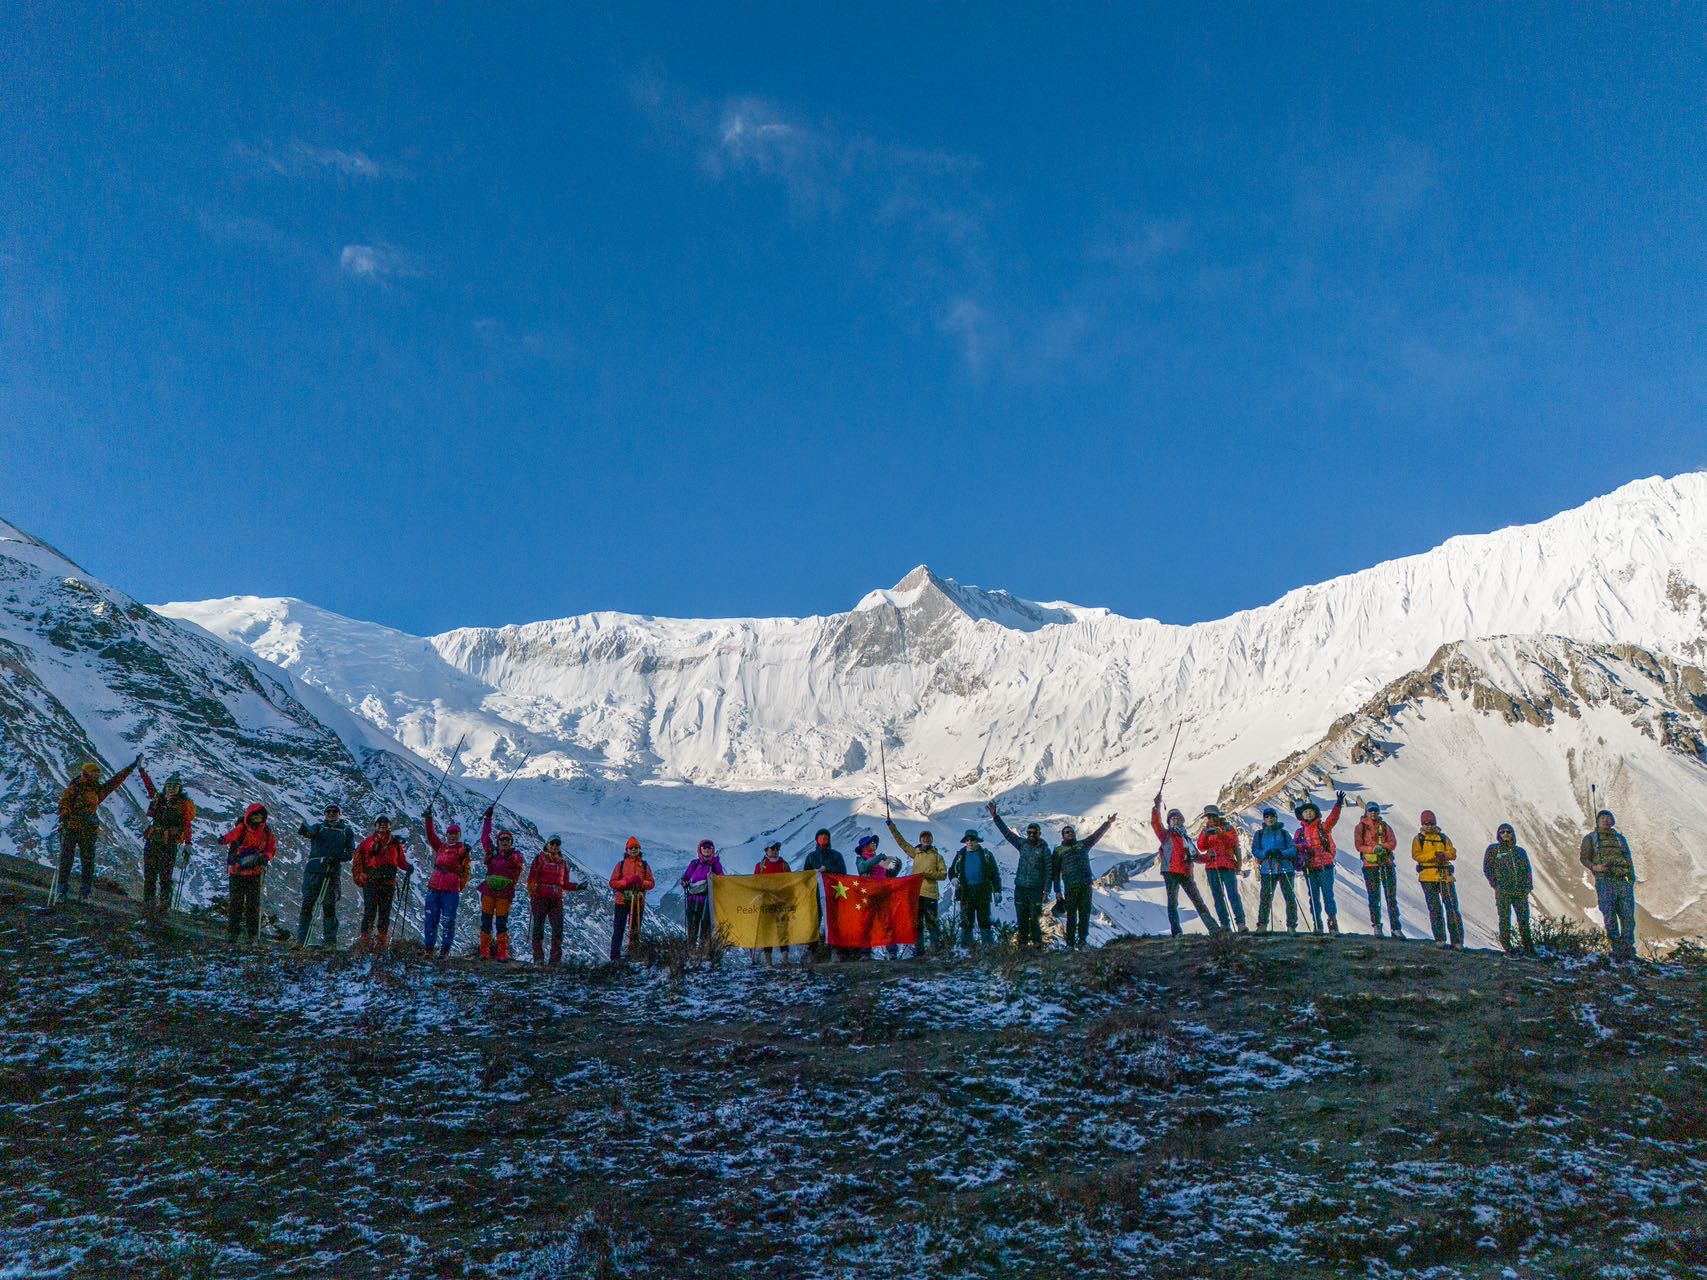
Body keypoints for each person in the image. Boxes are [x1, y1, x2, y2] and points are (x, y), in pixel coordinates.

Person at [54, 756, 139, 906]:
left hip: (78, 828)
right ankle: (76, 892)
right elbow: (64, 804)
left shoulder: (86, 788)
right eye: (94, 773)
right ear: (87, 774)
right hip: (80, 828)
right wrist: (65, 817)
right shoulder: (81, 789)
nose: (97, 776)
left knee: (74, 860)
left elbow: (114, 782)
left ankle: (66, 891)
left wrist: (130, 768)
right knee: (79, 861)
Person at [1151, 795, 1221, 938]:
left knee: (1197, 901)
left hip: (1185, 872)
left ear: (1182, 821)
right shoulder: (1166, 835)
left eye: (1178, 818)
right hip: (1171, 872)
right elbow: (1155, 823)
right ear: (1169, 822)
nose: (1175, 820)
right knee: (1173, 903)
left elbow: (1196, 856)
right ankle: (1177, 932)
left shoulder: (1186, 839)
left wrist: (1208, 857)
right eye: (1173, 818)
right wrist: (1157, 806)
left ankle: (1213, 928)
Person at [988, 804, 1054, 950]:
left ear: (1039, 834)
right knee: (1021, 918)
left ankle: (1037, 946)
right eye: (1029, 833)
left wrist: (1046, 891)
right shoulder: (1022, 844)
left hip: (1036, 889)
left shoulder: (1045, 850)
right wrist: (995, 817)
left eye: (1034, 833)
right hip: (1020, 887)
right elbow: (1007, 834)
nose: (1031, 835)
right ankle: (1022, 946)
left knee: (1034, 919)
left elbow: (1049, 871)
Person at [1052, 814, 1117, 949]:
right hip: (1070, 887)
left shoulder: (1083, 844)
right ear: (1063, 836)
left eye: (1071, 832)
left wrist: (1108, 823)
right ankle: (1070, 944)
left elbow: (1096, 836)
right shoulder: (1058, 851)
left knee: (1084, 914)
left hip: (1086, 885)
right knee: (1071, 916)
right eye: (1067, 832)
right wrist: (1057, 891)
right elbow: (1055, 873)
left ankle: (1082, 941)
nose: (1070, 834)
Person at [1580, 809, 1637, 961]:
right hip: (1604, 881)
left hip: (1621, 880)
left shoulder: (1619, 839)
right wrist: (1595, 867)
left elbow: (1628, 857)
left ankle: (1628, 949)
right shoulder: (1590, 838)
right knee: (1609, 915)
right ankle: (1616, 948)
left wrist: (1631, 877)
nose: (1606, 820)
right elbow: (1584, 858)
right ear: (1597, 821)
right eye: (1603, 818)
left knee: (1628, 917)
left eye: (1609, 818)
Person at [295, 802, 355, 948]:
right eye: (328, 811)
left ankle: (329, 941)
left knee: (329, 906)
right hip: (314, 870)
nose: (331, 813)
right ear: (325, 813)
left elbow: (350, 852)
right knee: (307, 904)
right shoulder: (319, 827)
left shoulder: (346, 830)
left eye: (335, 811)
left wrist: (337, 858)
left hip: (332, 871)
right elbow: (309, 833)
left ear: (339, 814)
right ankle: (301, 940)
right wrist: (305, 831)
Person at [884, 820, 947, 958]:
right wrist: (891, 827)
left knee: (932, 924)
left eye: (928, 837)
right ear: (920, 840)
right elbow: (901, 843)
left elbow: (943, 875)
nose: (926, 839)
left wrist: (928, 875)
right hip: (916, 894)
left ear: (931, 840)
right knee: (917, 924)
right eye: (923, 837)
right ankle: (920, 952)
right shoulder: (915, 853)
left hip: (930, 895)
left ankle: (934, 951)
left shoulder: (937, 857)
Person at [138, 767, 195, 917]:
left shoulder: (183, 805)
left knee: (165, 875)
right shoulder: (159, 799)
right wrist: (141, 771)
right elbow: (149, 786)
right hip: (154, 840)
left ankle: (163, 906)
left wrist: (188, 843)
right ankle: (149, 903)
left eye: (174, 787)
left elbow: (186, 824)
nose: (170, 790)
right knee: (150, 873)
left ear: (179, 789)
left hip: (168, 843)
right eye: (168, 786)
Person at [220, 802, 276, 943]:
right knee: (236, 904)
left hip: (251, 872)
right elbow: (232, 836)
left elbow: (271, 849)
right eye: (255, 815)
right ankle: (236, 934)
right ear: (249, 816)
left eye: (259, 815)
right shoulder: (243, 828)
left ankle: (250, 935)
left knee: (252, 905)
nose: (257, 817)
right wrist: (224, 839)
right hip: (240, 872)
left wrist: (266, 857)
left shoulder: (266, 832)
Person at [421, 808, 473, 959]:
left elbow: (466, 868)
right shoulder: (441, 847)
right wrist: (428, 819)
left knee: (448, 920)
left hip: (450, 889)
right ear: (447, 835)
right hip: (435, 886)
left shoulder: (462, 850)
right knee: (431, 919)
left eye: (455, 833)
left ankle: (444, 951)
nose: (453, 836)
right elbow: (430, 836)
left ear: (459, 836)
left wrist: (459, 885)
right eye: (450, 833)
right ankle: (429, 949)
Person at [526, 836, 586, 966]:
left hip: (556, 899)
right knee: (538, 929)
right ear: (547, 845)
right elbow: (532, 878)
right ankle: (539, 959)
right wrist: (532, 892)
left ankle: (554, 961)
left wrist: (577, 887)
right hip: (540, 898)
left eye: (557, 844)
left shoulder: (563, 863)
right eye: (552, 843)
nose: (554, 846)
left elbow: (564, 883)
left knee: (558, 929)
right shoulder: (539, 859)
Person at [353, 816, 409, 952]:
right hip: (372, 882)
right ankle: (366, 942)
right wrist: (361, 876)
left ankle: (380, 944)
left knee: (384, 913)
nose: (383, 826)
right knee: (370, 912)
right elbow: (357, 860)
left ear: (389, 826)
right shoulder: (368, 843)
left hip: (387, 883)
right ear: (376, 826)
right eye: (380, 823)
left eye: (385, 824)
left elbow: (401, 861)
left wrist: (408, 867)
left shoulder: (395, 844)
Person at [1293, 794, 1345, 935]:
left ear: (1315, 813)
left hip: (1325, 866)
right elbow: (1295, 848)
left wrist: (1338, 805)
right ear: (1301, 815)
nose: (1308, 813)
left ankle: (1332, 924)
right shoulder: (1300, 832)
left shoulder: (1323, 827)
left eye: (1311, 811)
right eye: (1305, 812)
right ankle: (1318, 924)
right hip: (1310, 868)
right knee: (1314, 897)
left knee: (1328, 895)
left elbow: (1333, 819)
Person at [1411, 810, 1463, 949]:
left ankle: (1457, 941)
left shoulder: (1443, 838)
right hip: (1428, 876)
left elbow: (1453, 853)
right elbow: (1416, 856)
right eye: (1426, 824)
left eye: (1431, 823)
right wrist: (1434, 855)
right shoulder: (1418, 839)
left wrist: (1443, 855)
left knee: (1452, 908)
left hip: (1444, 876)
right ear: (1422, 824)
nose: (1429, 826)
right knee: (1435, 908)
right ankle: (1440, 939)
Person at [478, 808, 525, 962]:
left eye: (507, 840)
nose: (504, 842)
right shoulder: (492, 852)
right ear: (498, 842)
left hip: (504, 893)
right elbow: (485, 837)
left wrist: (510, 857)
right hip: (489, 891)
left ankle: (502, 952)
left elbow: (518, 863)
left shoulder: (515, 855)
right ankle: (484, 950)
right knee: (486, 920)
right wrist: (488, 819)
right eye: (502, 839)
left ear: (511, 843)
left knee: (501, 922)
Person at [1483, 823, 1536, 956]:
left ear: (1513, 834)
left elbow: (1527, 870)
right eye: (1502, 832)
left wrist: (1528, 886)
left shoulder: (1520, 851)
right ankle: (1507, 948)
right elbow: (1487, 868)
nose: (1506, 834)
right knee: (1505, 919)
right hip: (1503, 892)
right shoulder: (1493, 850)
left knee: (1523, 919)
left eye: (1508, 832)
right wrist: (1495, 884)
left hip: (1520, 891)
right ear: (1498, 835)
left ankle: (1528, 948)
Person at [1353, 802, 1403, 939]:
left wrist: (1381, 847)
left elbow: (1393, 843)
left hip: (1385, 864)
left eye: (1375, 810)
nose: (1373, 813)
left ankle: (1395, 927)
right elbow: (1359, 846)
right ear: (1366, 812)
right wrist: (1373, 849)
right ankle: (1377, 925)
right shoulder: (1360, 827)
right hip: (1370, 865)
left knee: (1390, 896)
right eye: (1371, 811)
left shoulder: (1384, 826)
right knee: (1374, 896)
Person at [801, 828, 852, 960]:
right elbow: (805, 875)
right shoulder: (811, 857)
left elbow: (843, 873)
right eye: (821, 837)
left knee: (833, 922)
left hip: (832, 894)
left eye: (826, 837)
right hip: (815, 894)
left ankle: (835, 950)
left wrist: (827, 870)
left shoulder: (836, 855)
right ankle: (812, 951)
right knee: (814, 923)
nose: (823, 839)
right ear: (816, 840)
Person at [1195, 806, 1247, 934]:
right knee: (1218, 897)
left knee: (1233, 895)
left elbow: (1233, 843)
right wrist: (1204, 834)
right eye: (1209, 817)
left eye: (1213, 816)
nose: (1211, 819)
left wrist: (1221, 833)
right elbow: (1201, 847)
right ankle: (1225, 924)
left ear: (1218, 816)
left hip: (1227, 865)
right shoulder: (1206, 830)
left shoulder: (1228, 828)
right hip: (1212, 866)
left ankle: (1240, 923)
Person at [947, 829, 1001, 950]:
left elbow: (995, 874)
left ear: (977, 841)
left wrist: (997, 890)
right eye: (968, 840)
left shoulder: (986, 855)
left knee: (984, 920)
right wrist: (954, 878)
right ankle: (967, 949)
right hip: (966, 892)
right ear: (965, 841)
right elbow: (952, 871)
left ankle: (988, 948)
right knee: (966, 921)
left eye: (972, 839)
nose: (970, 842)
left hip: (983, 891)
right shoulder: (960, 854)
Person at [1251, 808, 1300, 933]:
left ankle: (1291, 926)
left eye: (1272, 816)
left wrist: (1281, 853)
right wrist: (1266, 854)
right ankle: (1262, 925)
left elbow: (1293, 849)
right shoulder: (1259, 834)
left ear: (1276, 817)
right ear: (1264, 819)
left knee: (1289, 897)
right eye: (1267, 817)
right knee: (1266, 898)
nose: (1270, 819)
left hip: (1284, 868)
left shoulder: (1284, 833)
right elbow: (1255, 850)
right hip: (1268, 869)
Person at [608, 837, 655, 961]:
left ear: (639, 849)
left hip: (638, 902)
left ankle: (633, 955)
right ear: (627, 850)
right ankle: (615, 957)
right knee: (619, 929)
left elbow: (651, 883)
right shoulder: (621, 864)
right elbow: (613, 883)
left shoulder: (644, 865)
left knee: (635, 930)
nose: (633, 849)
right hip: (622, 901)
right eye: (631, 848)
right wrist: (626, 882)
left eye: (636, 847)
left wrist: (641, 882)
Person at [679, 839, 726, 955]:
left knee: (705, 927)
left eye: (709, 847)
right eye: (705, 847)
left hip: (706, 901)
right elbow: (685, 877)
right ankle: (693, 951)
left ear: (712, 850)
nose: (707, 849)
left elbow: (721, 880)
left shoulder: (715, 864)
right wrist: (684, 882)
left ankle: (702, 953)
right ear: (700, 849)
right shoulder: (694, 864)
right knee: (693, 926)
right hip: (694, 900)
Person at [754, 841, 794, 964]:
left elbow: (790, 884)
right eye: (773, 848)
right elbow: (756, 884)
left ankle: (785, 959)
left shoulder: (784, 865)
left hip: (781, 903)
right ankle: (768, 961)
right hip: (766, 904)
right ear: (766, 851)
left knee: (783, 931)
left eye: (777, 848)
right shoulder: (760, 866)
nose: (776, 850)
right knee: (767, 931)